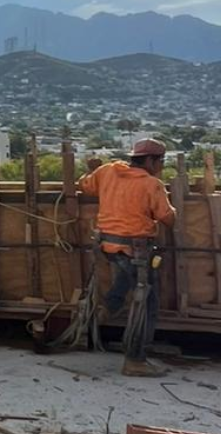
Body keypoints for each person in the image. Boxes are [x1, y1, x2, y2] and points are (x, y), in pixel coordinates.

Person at [78, 138, 176, 377]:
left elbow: (84, 185)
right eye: (160, 161)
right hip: (137, 250)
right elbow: (168, 219)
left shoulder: (108, 170)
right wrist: (170, 206)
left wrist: (92, 171)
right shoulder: (151, 184)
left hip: (107, 247)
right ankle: (135, 359)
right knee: (147, 303)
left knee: (124, 277)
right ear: (150, 161)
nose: (161, 166)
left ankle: (109, 306)